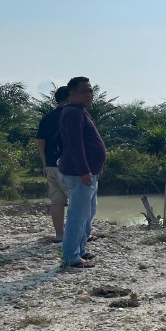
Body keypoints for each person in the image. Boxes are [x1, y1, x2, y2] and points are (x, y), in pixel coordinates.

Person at [58, 76, 106, 270]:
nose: (89, 95)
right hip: (80, 174)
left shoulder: (80, 112)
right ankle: (70, 257)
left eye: (90, 91)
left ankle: (79, 250)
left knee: (88, 213)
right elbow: (75, 145)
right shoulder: (72, 114)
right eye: (84, 91)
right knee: (78, 215)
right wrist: (84, 171)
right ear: (72, 94)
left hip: (88, 173)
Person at [35, 87, 70, 242]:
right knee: (77, 201)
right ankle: (79, 235)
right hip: (70, 166)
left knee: (57, 202)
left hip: (51, 164)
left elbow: (40, 143)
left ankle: (60, 235)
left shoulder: (46, 118)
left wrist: (45, 164)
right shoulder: (74, 115)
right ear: (70, 97)